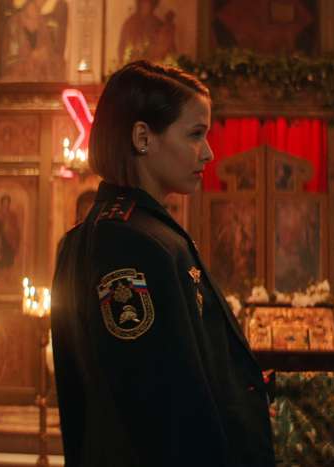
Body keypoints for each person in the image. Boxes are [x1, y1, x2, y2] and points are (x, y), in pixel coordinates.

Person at [50, 61, 275, 466]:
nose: (208, 152)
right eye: (195, 134)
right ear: (143, 137)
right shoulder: (131, 242)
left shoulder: (132, 232)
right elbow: (162, 408)